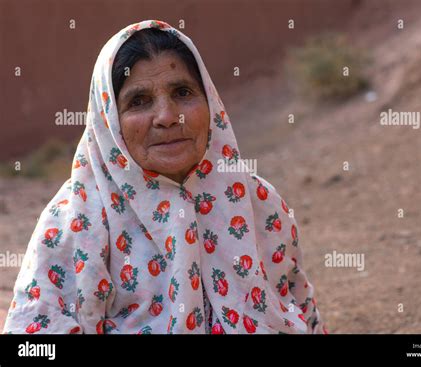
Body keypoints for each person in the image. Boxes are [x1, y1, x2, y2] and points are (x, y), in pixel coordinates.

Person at [3, 20, 325, 334]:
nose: (168, 117)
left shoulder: (257, 202)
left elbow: (299, 305)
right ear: (109, 120)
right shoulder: (75, 221)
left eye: (183, 92)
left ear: (210, 102)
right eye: (139, 101)